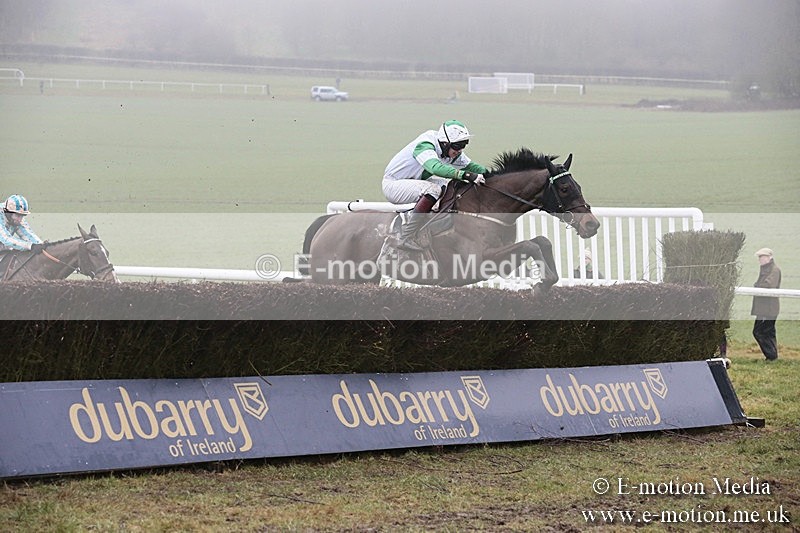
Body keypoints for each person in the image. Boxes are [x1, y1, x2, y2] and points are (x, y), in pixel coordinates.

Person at [382, 120, 488, 251]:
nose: (460, 150)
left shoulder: (450, 150)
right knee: (434, 189)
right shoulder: (425, 145)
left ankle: (434, 224)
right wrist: (466, 175)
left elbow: (472, 167)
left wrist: (495, 175)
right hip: (393, 185)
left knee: (449, 184)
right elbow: (435, 168)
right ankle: (405, 236)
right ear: (445, 143)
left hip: (413, 182)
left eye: (463, 145)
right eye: (457, 146)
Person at [751, 248, 781, 361]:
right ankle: (772, 356)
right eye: (759, 257)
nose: (760, 259)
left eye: (762, 257)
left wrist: (757, 287)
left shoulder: (774, 270)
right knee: (768, 332)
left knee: (759, 331)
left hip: (767, 309)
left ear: (770, 257)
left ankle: (771, 356)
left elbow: (768, 285)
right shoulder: (767, 269)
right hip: (766, 308)